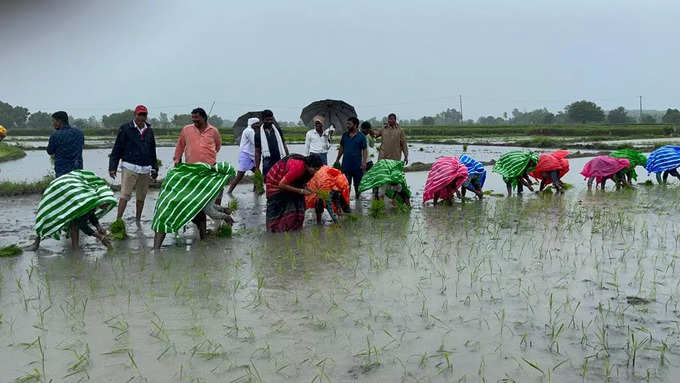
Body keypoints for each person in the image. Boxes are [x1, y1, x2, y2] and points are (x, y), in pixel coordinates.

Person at [26, 170, 116, 251]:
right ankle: (36, 243)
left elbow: (90, 213)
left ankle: (75, 249)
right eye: (105, 204)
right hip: (59, 190)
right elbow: (82, 224)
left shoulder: (92, 198)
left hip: (70, 188)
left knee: (74, 220)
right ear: (100, 199)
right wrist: (100, 236)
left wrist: (98, 226)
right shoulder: (85, 200)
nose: (105, 207)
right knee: (48, 217)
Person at [152, 162, 236, 249]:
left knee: (163, 224)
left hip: (174, 200)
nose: (229, 182)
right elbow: (209, 210)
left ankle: (156, 252)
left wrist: (223, 209)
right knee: (164, 224)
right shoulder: (212, 184)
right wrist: (225, 217)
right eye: (229, 179)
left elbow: (205, 203)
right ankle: (156, 252)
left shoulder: (206, 179)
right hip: (177, 203)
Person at [109, 105, 158, 222]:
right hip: (129, 166)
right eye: (139, 115)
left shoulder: (149, 131)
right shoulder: (125, 128)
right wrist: (112, 167)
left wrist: (155, 168)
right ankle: (118, 220)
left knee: (141, 196)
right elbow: (117, 148)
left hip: (145, 168)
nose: (141, 117)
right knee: (125, 195)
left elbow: (152, 150)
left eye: (144, 115)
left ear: (146, 116)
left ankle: (138, 219)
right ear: (134, 115)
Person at [265, 154, 323, 232]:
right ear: (309, 165)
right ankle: (274, 232)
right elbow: (281, 185)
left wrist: (307, 188)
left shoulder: (308, 170)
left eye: (318, 170)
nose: (316, 172)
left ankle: (294, 230)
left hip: (289, 182)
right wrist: (301, 191)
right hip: (275, 182)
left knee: (298, 207)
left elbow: (300, 180)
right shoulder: (298, 168)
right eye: (315, 169)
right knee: (277, 210)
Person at [334, 117, 367, 198]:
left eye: (349, 124)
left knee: (358, 186)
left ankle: (358, 202)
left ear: (355, 125)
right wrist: (337, 159)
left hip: (357, 166)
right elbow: (341, 148)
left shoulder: (361, 136)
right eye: (347, 124)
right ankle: (346, 203)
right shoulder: (345, 135)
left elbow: (364, 150)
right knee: (345, 185)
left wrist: (364, 162)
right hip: (346, 166)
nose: (347, 126)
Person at [228, 117, 261, 193]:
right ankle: (229, 191)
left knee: (257, 173)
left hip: (252, 155)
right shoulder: (249, 131)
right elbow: (256, 142)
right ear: (252, 124)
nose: (258, 125)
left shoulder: (253, 131)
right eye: (256, 123)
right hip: (246, 155)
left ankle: (256, 190)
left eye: (258, 123)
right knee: (240, 175)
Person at [47, 111, 84, 177]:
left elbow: (50, 151)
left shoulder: (55, 135)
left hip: (62, 172)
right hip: (78, 171)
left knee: (63, 187)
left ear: (59, 121)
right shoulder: (79, 133)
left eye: (54, 121)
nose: (53, 124)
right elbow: (81, 145)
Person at [255, 109, 289, 177]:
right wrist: (257, 167)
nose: (270, 122)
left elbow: (283, 144)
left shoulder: (277, 130)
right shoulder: (258, 134)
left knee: (280, 178)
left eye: (271, 119)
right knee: (268, 179)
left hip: (279, 158)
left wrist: (288, 157)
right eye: (267, 120)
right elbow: (257, 152)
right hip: (267, 161)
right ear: (262, 120)